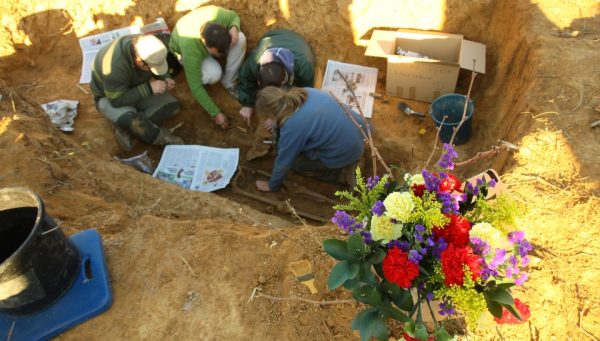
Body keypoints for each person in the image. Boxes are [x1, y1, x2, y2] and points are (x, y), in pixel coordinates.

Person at [254, 87, 366, 192]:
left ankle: (339, 174)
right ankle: (349, 159)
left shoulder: (293, 125)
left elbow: (284, 161)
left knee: (295, 163)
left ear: (270, 113)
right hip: (359, 134)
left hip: (344, 153)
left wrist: (272, 185)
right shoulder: (305, 92)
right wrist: (276, 120)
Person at [90, 34, 184, 151]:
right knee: (134, 123)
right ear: (139, 62)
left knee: (172, 106)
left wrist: (165, 77)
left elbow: (157, 63)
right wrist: (149, 89)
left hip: (135, 87)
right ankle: (160, 137)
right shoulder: (114, 68)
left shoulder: (147, 44)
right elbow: (116, 100)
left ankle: (128, 127)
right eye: (151, 68)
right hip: (109, 98)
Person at [169, 5, 247, 129]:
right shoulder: (190, 49)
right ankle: (204, 76)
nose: (224, 54)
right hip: (183, 51)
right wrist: (216, 113)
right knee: (214, 74)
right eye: (218, 53)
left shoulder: (216, 14)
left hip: (203, 44)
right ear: (205, 43)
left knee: (240, 39)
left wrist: (233, 27)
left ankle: (229, 82)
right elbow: (195, 87)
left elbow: (233, 16)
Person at [237, 29, 315, 131]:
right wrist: (246, 104)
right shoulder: (254, 61)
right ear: (258, 81)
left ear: (283, 82)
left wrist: (280, 117)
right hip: (274, 35)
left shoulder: (304, 67)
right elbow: (245, 78)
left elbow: (303, 95)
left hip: (299, 45)